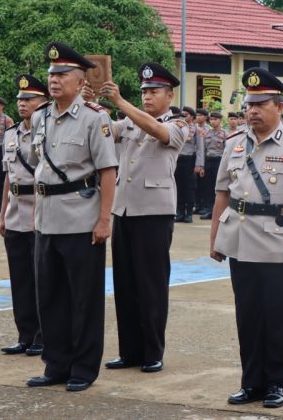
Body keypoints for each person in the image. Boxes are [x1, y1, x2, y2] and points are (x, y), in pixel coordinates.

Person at [209, 68, 283, 409]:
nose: (252, 111)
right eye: (249, 105)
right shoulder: (234, 143)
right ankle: (251, 382)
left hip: (276, 242)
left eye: (260, 104)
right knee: (247, 316)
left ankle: (275, 384)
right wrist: (215, 239)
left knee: (277, 316)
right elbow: (222, 193)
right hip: (239, 239)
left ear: (279, 106)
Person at [26, 41, 117, 392]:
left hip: (81, 220)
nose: (54, 80)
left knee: (84, 300)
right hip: (46, 220)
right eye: (52, 74)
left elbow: (107, 172)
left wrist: (104, 219)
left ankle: (83, 368)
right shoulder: (40, 117)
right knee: (50, 298)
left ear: (80, 81)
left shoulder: (95, 118)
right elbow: (38, 169)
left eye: (62, 74)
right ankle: (56, 365)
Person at [91, 62, 189, 375]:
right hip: (124, 209)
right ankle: (129, 351)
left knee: (151, 285)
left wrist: (120, 102)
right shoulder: (129, 121)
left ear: (169, 95)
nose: (147, 96)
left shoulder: (178, 124)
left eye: (154, 91)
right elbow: (106, 132)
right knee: (125, 284)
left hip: (154, 213)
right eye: (144, 91)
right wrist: (89, 105)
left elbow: (158, 132)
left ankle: (152, 351)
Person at [0, 75, 48, 356]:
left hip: (41, 210)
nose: (22, 104)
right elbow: (9, 177)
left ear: (44, 103)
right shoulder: (11, 134)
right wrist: (3, 215)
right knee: (20, 279)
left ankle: (43, 335)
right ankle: (25, 335)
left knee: (42, 280)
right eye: (20, 99)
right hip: (16, 212)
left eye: (29, 99)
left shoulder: (48, 132)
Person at [175, 106, 204, 223]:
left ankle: (189, 214)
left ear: (192, 117)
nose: (183, 116)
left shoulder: (197, 129)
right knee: (178, 187)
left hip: (189, 160)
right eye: (182, 114)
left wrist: (199, 165)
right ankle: (179, 212)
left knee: (189, 188)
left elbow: (200, 148)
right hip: (177, 159)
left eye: (186, 114)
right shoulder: (177, 127)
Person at [200, 111, 226, 220]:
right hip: (208, 161)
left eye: (215, 119)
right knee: (208, 187)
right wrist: (202, 166)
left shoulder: (225, 134)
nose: (213, 121)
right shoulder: (206, 133)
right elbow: (203, 150)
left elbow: (226, 151)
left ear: (220, 120)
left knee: (218, 187)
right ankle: (209, 210)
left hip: (219, 161)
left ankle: (218, 211)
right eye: (211, 119)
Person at [194, 108, 211, 215]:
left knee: (204, 184)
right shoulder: (193, 128)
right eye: (197, 115)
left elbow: (206, 148)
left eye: (200, 115)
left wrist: (202, 164)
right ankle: (197, 205)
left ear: (205, 117)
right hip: (193, 159)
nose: (198, 117)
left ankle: (203, 206)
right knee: (194, 185)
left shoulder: (209, 129)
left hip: (205, 159)